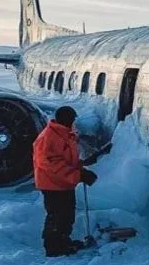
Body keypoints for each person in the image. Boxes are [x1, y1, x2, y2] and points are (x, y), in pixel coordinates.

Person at [32, 106, 99, 256]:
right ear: (66, 120)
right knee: (57, 216)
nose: (74, 122)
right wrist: (78, 175)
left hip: (63, 184)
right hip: (52, 184)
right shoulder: (49, 137)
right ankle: (53, 247)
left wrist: (81, 166)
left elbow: (64, 161)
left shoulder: (63, 134)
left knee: (67, 215)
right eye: (72, 119)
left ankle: (63, 241)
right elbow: (52, 166)